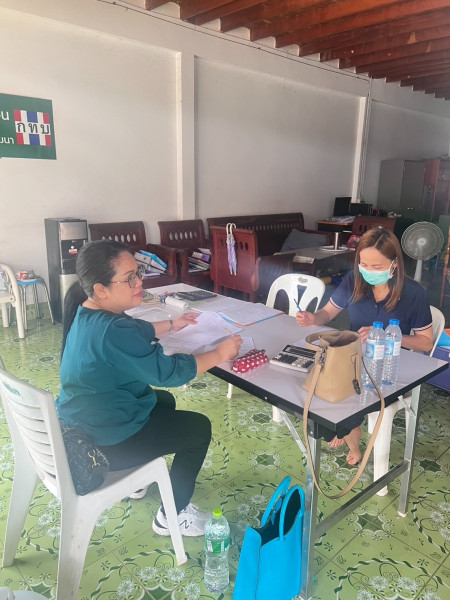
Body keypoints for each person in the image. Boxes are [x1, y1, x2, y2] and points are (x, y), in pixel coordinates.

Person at [56, 239, 242, 537]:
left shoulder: (88, 311)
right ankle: (172, 515)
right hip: (102, 444)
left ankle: (137, 481)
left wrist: (173, 324)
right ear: (102, 289)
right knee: (198, 429)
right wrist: (220, 354)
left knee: (162, 402)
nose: (139, 282)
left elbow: (134, 331)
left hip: (87, 421)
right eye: (129, 278)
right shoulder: (113, 330)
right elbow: (168, 373)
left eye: (138, 273)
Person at [296, 227, 432, 465]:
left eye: (377, 267)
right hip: (353, 359)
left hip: (390, 369)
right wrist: (312, 318)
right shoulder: (354, 279)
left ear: (394, 264)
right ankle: (350, 432)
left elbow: (426, 341)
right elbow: (328, 313)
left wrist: (388, 336)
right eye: (364, 264)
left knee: (338, 415)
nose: (369, 271)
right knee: (316, 393)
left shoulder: (413, 293)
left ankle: (349, 432)